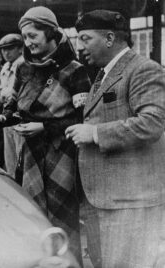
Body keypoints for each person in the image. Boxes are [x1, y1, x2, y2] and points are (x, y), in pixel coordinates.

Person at [0, 6, 91, 263]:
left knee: (63, 215)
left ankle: (69, 263)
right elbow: (15, 108)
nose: (28, 42)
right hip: (32, 154)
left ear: (50, 33)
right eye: (24, 37)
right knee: (33, 213)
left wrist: (45, 127)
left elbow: (83, 119)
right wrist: (3, 119)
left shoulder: (75, 70)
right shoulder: (25, 69)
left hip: (62, 154)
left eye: (33, 36)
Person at [65, 10, 165, 268]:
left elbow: (152, 123)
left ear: (109, 38)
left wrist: (95, 133)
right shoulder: (103, 74)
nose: (79, 46)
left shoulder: (144, 69)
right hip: (106, 198)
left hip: (130, 203)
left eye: (85, 38)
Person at [0, 33, 24, 178]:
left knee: (21, 159)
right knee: (10, 159)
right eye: (3, 50)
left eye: (10, 48)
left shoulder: (24, 64)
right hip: (7, 115)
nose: (6, 53)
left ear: (20, 49)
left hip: (20, 116)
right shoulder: (5, 67)